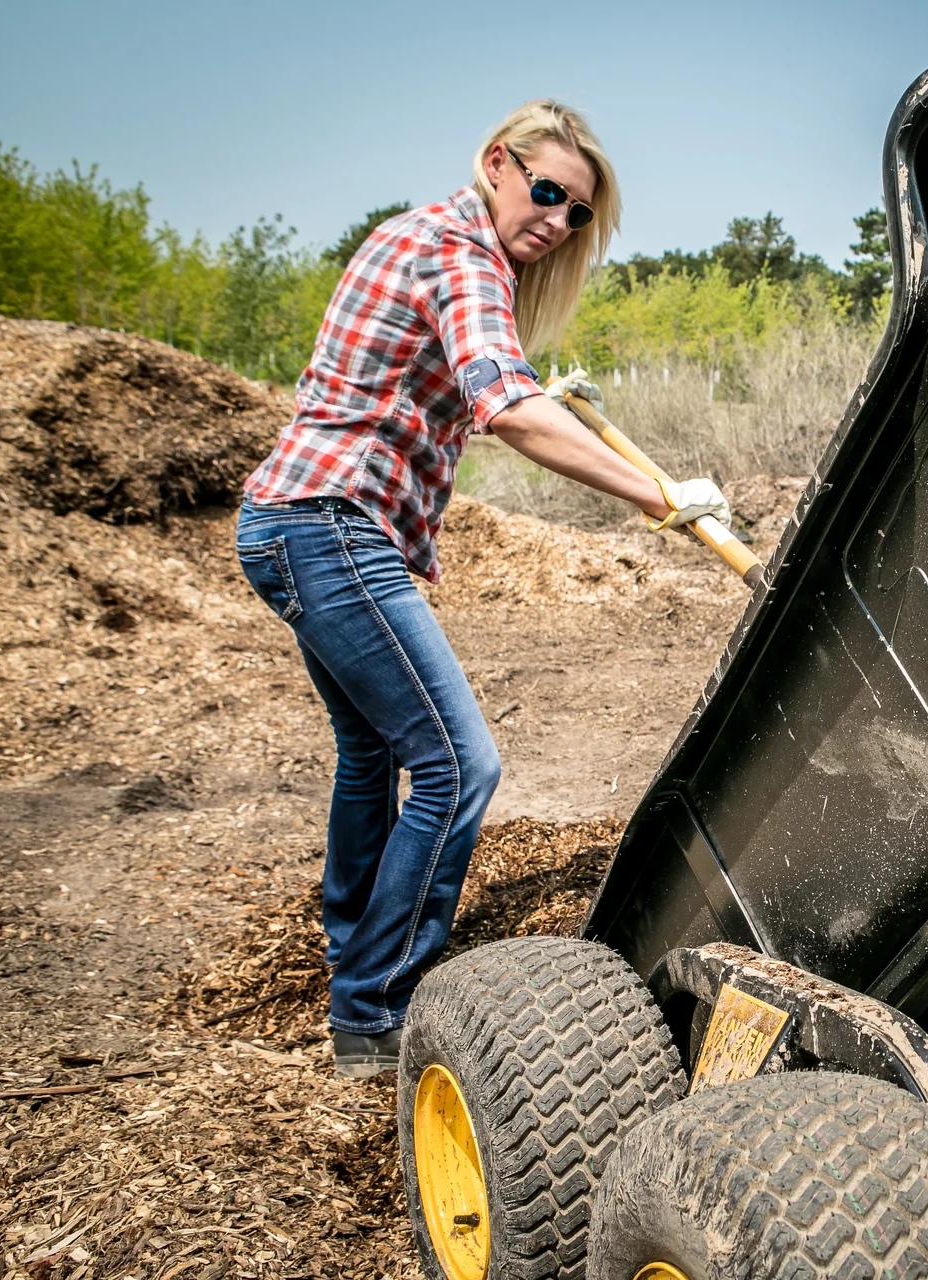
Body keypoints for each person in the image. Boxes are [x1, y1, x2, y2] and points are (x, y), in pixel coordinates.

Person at [235, 101, 730, 1079]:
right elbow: (505, 406)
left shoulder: (426, 236)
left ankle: (353, 953)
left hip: (294, 520)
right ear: (499, 165)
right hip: (332, 528)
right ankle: (375, 1008)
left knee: (373, 754)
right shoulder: (464, 252)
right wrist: (658, 495)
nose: (556, 221)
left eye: (578, 214)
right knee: (460, 766)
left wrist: (557, 390)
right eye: (547, 192)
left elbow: (494, 372)